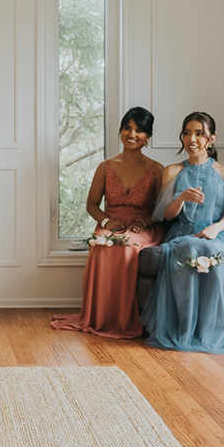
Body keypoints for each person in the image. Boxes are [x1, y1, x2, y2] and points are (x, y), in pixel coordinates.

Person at [140, 113, 224, 355]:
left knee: (213, 251)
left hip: (219, 232)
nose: (192, 139)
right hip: (184, 231)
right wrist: (182, 198)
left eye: (199, 134)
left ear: (211, 139)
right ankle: (187, 329)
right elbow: (166, 215)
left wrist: (216, 228)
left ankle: (213, 331)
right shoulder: (172, 171)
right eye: (187, 133)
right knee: (190, 248)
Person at [50, 108, 166, 339]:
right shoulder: (106, 166)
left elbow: (161, 211)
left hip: (144, 228)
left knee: (126, 245)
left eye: (139, 130)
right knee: (102, 244)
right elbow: (91, 204)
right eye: (127, 128)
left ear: (148, 137)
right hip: (112, 224)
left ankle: (123, 320)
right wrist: (106, 221)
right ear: (120, 131)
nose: (132, 134)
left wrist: (142, 222)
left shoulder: (157, 169)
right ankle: (101, 317)